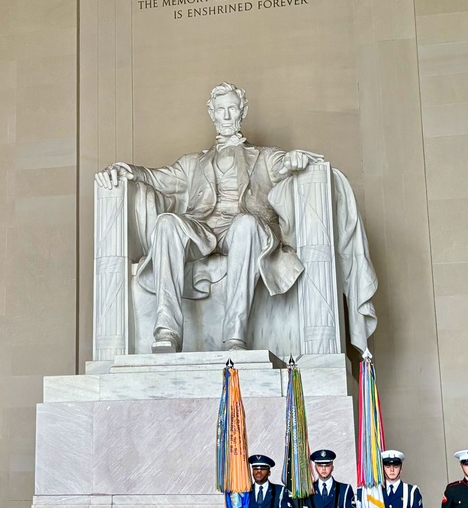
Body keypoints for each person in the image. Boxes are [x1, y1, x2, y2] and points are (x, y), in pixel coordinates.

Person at [94, 82, 322, 352]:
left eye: (232, 109)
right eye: (220, 110)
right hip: (204, 230)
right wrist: (123, 170)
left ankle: (234, 337)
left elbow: (285, 164)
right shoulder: (193, 163)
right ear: (212, 113)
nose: (226, 116)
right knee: (167, 223)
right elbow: (156, 177)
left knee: (246, 224)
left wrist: (293, 161)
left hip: (245, 229)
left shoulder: (265, 156)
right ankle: (167, 331)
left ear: (243, 111)